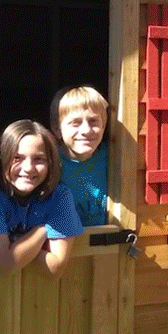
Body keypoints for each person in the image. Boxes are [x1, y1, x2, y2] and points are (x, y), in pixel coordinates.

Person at [0, 120, 82, 277]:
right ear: (1, 159)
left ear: (50, 163)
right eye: (17, 158)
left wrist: (16, 242)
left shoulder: (59, 195)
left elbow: (55, 268)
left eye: (39, 159)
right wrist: (43, 230)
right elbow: (7, 264)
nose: (28, 168)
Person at [50, 85, 109, 227]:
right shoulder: (49, 163)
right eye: (75, 123)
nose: (86, 130)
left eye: (93, 121)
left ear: (104, 126)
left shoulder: (115, 157)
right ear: (57, 130)